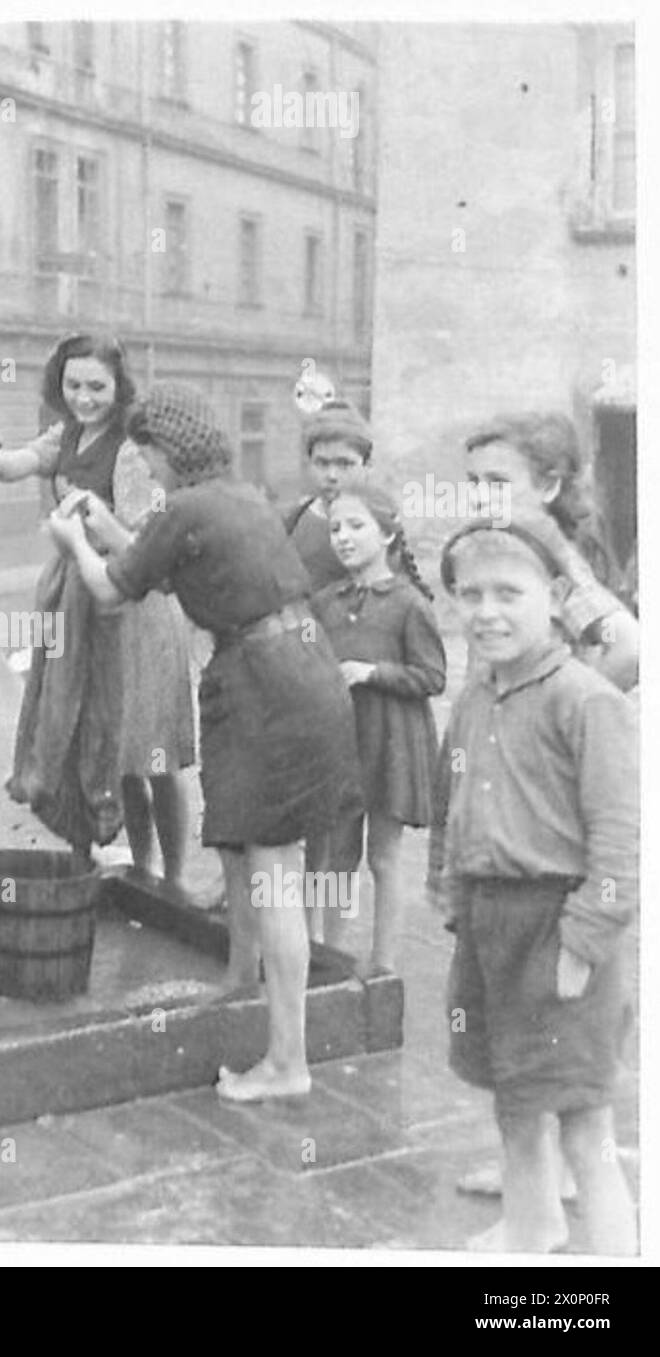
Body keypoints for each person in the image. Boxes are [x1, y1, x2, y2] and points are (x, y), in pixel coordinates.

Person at [47, 383, 363, 1102]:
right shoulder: (237, 494)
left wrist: (72, 540)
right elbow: (157, 565)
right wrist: (106, 524)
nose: (147, 470)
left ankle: (289, 1061)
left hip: (264, 686)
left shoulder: (186, 504)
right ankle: (253, 999)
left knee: (277, 877)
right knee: (260, 859)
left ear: (165, 448)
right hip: (300, 668)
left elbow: (113, 591)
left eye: (147, 456)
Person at [428, 518, 637, 1254]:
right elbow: (449, 800)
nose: (487, 610)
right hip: (490, 925)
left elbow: (621, 840)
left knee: (584, 1120)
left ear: (552, 596)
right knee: (515, 1095)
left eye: (508, 593)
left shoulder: (587, 700)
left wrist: (582, 943)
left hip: (561, 926)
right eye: (470, 594)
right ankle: (533, 1222)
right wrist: (449, 889)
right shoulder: (474, 697)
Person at [0, 334, 195, 884]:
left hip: (135, 609)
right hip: (81, 603)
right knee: (111, 748)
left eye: (97, 386)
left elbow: (142, 545)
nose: (84, 397)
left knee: (152, 754)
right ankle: (140, 870)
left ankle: (172, 877)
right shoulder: (70, 432)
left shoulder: (130, 447)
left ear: (119, 387)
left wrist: (90, 527)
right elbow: (19, 461)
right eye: (73, 385)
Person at [309, 486, 446, 975]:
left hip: (391, 742)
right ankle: (327, 958)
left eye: (356, 526)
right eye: (335, 529)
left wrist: (373, 673)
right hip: (342, 743)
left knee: (384, 859)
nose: (343, 537)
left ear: (387, 533)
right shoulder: (324, 602)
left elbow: (433, 677)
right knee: (332, 859)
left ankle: (384, 968)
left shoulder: (409, 603)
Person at [464, 412, 637, 691]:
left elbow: (628, 645)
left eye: (498, 484)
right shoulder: (501, 553)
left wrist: (567, 715)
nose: (480, 499)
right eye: (474, 483)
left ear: (548, 487)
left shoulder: (555, 559)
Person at [283, 398, 374, 591]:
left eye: (344, 464)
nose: (332, 476)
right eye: (322, 464)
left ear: (367, 467)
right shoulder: (292, 523)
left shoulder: (381, 527)